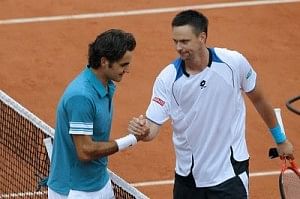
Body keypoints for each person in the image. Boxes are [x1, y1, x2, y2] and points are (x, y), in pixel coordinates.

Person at [128, 10, 294, 199]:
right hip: (188, 177)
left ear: (202, 37)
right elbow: (153, 127)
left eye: (184, 41)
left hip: (230, 173)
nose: (179, 47)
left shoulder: (233, 63)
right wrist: (143, 131)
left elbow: (259, 99)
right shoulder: (168, 79)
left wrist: (280, 139)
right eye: (175, 41)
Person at [47, 29, 147, 199]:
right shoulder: (82, 96)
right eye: (123, 65)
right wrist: (132, 139)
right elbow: (85, 151)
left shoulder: (106, 86)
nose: (127, 70)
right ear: (104, 62)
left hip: (99, 182)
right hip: (74, 191)